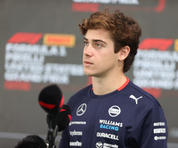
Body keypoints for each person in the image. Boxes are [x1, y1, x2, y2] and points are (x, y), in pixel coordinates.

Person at [59, 9, 168, 148]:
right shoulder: (75, 102)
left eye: (98, 44)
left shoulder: (146, 108)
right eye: (86, 43)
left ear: (122, 53)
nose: (87, 51)